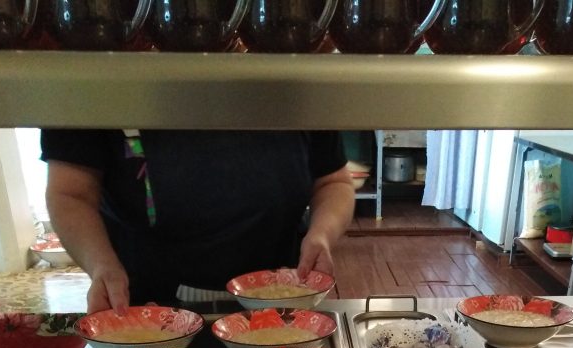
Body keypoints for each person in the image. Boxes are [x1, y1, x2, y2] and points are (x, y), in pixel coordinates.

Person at [40, 129, 355, 314]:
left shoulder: (292, 63)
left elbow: (333, 182)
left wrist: (322, 234)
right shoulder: (104, 60)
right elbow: (71, 194)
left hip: (281, 301)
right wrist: (101, 265)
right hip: (148, 308)